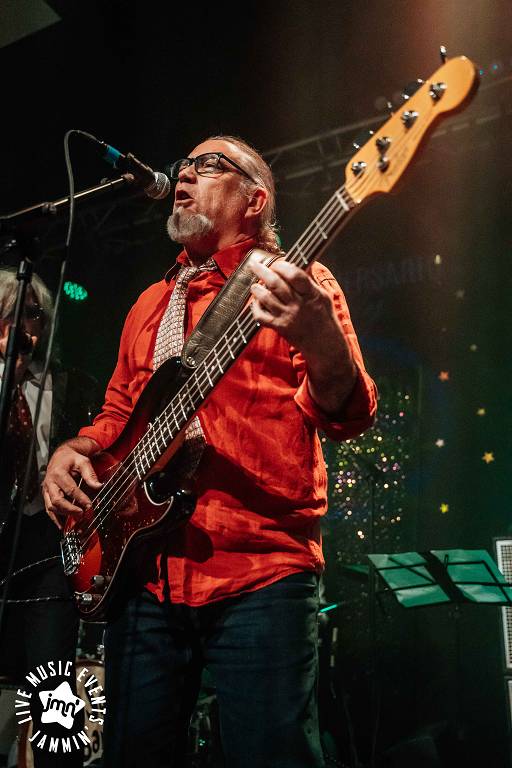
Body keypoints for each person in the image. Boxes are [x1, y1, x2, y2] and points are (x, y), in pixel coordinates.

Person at [43, 135, 378, 768]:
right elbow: (118, 415)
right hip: (144, 572)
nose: (184, 176)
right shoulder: (148, 303)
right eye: (184, 166)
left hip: (261, 568)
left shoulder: (298, 283)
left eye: (209, 166)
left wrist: (316, 334)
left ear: (255, 200)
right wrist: (73, 448)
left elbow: (350, 414)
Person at [0, 268, 98, 767]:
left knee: (53, 691)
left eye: (30, 315)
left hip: (49, 551)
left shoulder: (71, 386)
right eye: (5, 316)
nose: (18, 328)